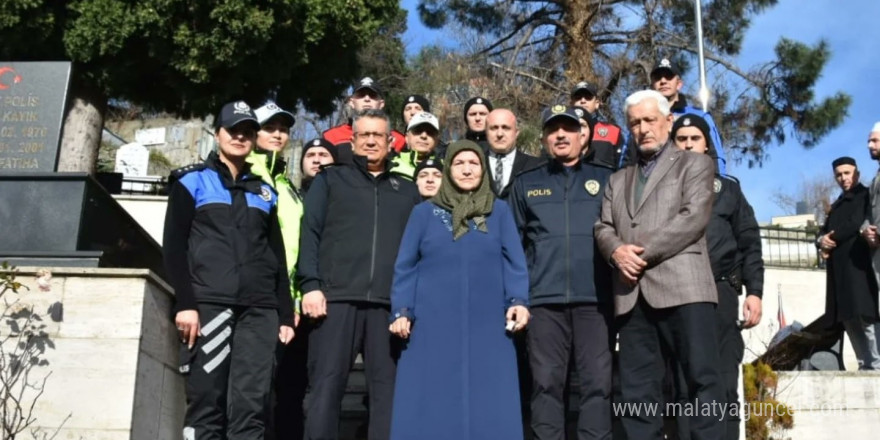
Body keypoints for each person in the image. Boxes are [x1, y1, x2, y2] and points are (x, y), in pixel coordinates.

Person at [593, 90, 723, 440]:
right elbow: (602, 226)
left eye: (650, 119)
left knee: (702, 382)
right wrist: (615, 252)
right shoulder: (618, 180)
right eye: (635, 122)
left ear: (668, 121)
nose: (643, 128)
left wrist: (636, 253)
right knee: (637, 394)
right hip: (632, 296)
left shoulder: (695, 164)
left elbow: (692, 218)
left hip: (685, 289)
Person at [163, 100, 296, 439]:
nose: (239, 137)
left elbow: (276, 256)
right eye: (232, 130)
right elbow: (174, 248)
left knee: (251, 408)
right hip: (210, 306)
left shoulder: (265, 192)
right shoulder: (190, 181)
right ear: (216, 133)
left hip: (259, 311)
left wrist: (283, 313)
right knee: (206, 404)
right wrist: (186, 303)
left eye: (247, 132)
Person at [388, 140, 530, 440]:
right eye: (459, 163)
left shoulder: (499, 212)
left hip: (488, 323)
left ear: (483, 169)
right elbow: (406, 265)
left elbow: (514, 262)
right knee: (431, 399)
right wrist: (402, 310)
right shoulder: (424, 213)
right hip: (432, 322)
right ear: (448, 170)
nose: (467, 169)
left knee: (490, 400)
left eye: (474, 163)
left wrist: (518, 300)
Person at [297, 109, 421, 439]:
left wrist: (408, 305)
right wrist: (310, 285)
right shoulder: (329, 180)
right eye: (363, 135)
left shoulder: (407, 192)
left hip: (388, 307)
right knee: (325, 390)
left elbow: (418, 252)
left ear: (390, 142)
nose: (370, 141)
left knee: (388, 396)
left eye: (377, 135)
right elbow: (309, 233)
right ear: (352, 141)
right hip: (335, 301)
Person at [509, 104, 613, 440]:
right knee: (546, 386)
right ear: (543, 138)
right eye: (553, 130)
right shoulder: (526, 184)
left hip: (595, 301)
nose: (560, 135)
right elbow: (513, 248)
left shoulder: (607, 179)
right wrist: (518, 297)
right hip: (543, 303)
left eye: (568, 128)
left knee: (597, 385)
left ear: (582, 135)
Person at [671, 114, 764, 439]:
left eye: (693, 138)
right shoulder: (662, 189)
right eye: (681, 139)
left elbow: (750, 243)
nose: (687, 144)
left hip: (721, 295)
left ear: (706, 143)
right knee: (684, 387)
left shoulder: (728, 191)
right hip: (678, 297)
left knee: (724, 384)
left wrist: (755, 292)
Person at [247, 101, 309, 440]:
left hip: (285, 301)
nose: (278, 134)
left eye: (283, 129)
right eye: (270, 128)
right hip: (252, 294)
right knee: (251, 389)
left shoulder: (288, 186)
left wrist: (295, 300)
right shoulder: (245, 172)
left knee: (277, 387)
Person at [818, 156, 880, 370]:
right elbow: (823, 229)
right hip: (839, 271)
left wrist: (829, 238)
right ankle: (865, 365)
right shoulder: (836, 205)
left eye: (847, 173)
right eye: (838, 174)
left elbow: (855, 224)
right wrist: (821, 239)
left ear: (857, 173)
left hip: (860, 267)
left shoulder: (866, 196)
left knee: (866, 317)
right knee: (848, 318)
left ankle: (876, 364)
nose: (843, 178)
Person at [323, 77, 406, 155]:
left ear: (381, 104)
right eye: (361, 95)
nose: (367, 99)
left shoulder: (399, 140)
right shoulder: (331, 137)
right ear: (351, 102)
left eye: (372, 95)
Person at [484, 108, 545, 201]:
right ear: (486, 132)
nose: (499, 134)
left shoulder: (536, 166)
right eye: (494, 128)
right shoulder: (475, 165)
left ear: (516, 132)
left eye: (506, 128)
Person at [570, 81, 624, 170]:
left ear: (597, 103)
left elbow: (622, 167)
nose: (583, 101)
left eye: (588, 97)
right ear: (571, 103)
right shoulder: (561, 132)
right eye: (578, 97)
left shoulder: (613, 131)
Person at [392, 112, 442, 179]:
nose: (423, 136)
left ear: (437, 140)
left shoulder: (445, 168)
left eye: (430, 132)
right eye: (418, 130)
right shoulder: (392, 166)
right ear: (407, 138)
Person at [860, 122, 880, 285]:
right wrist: (866, 230)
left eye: (874, 140)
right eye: (869, 141)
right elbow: (869, 213)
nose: (869, 145)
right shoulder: (875, 180)